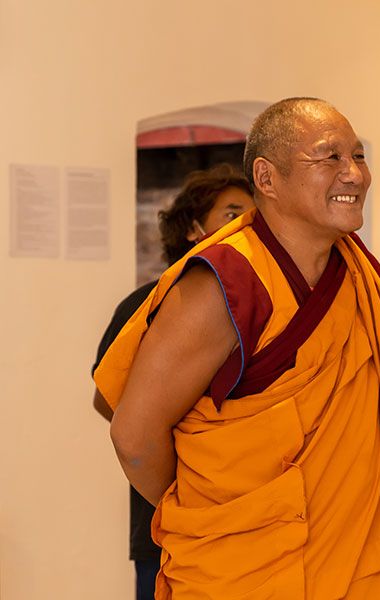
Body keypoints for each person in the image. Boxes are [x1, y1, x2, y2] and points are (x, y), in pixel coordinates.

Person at [93, 97, 380, 599]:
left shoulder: (358, 279)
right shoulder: (224, 283)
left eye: (357, 156)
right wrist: (213, 514)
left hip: (355, 560)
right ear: (267, 179)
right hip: (240, 567)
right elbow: (134, 436)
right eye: (329, 157)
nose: (354, 174)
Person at [91, 163, 254, 600]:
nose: (246, 225)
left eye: (252, 214)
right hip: (166, 519)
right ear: (192, 229)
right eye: (232, 213)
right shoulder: (144, 304)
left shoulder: (256, 301)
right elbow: (108, 402)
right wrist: (175, 457)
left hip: (239, 514)